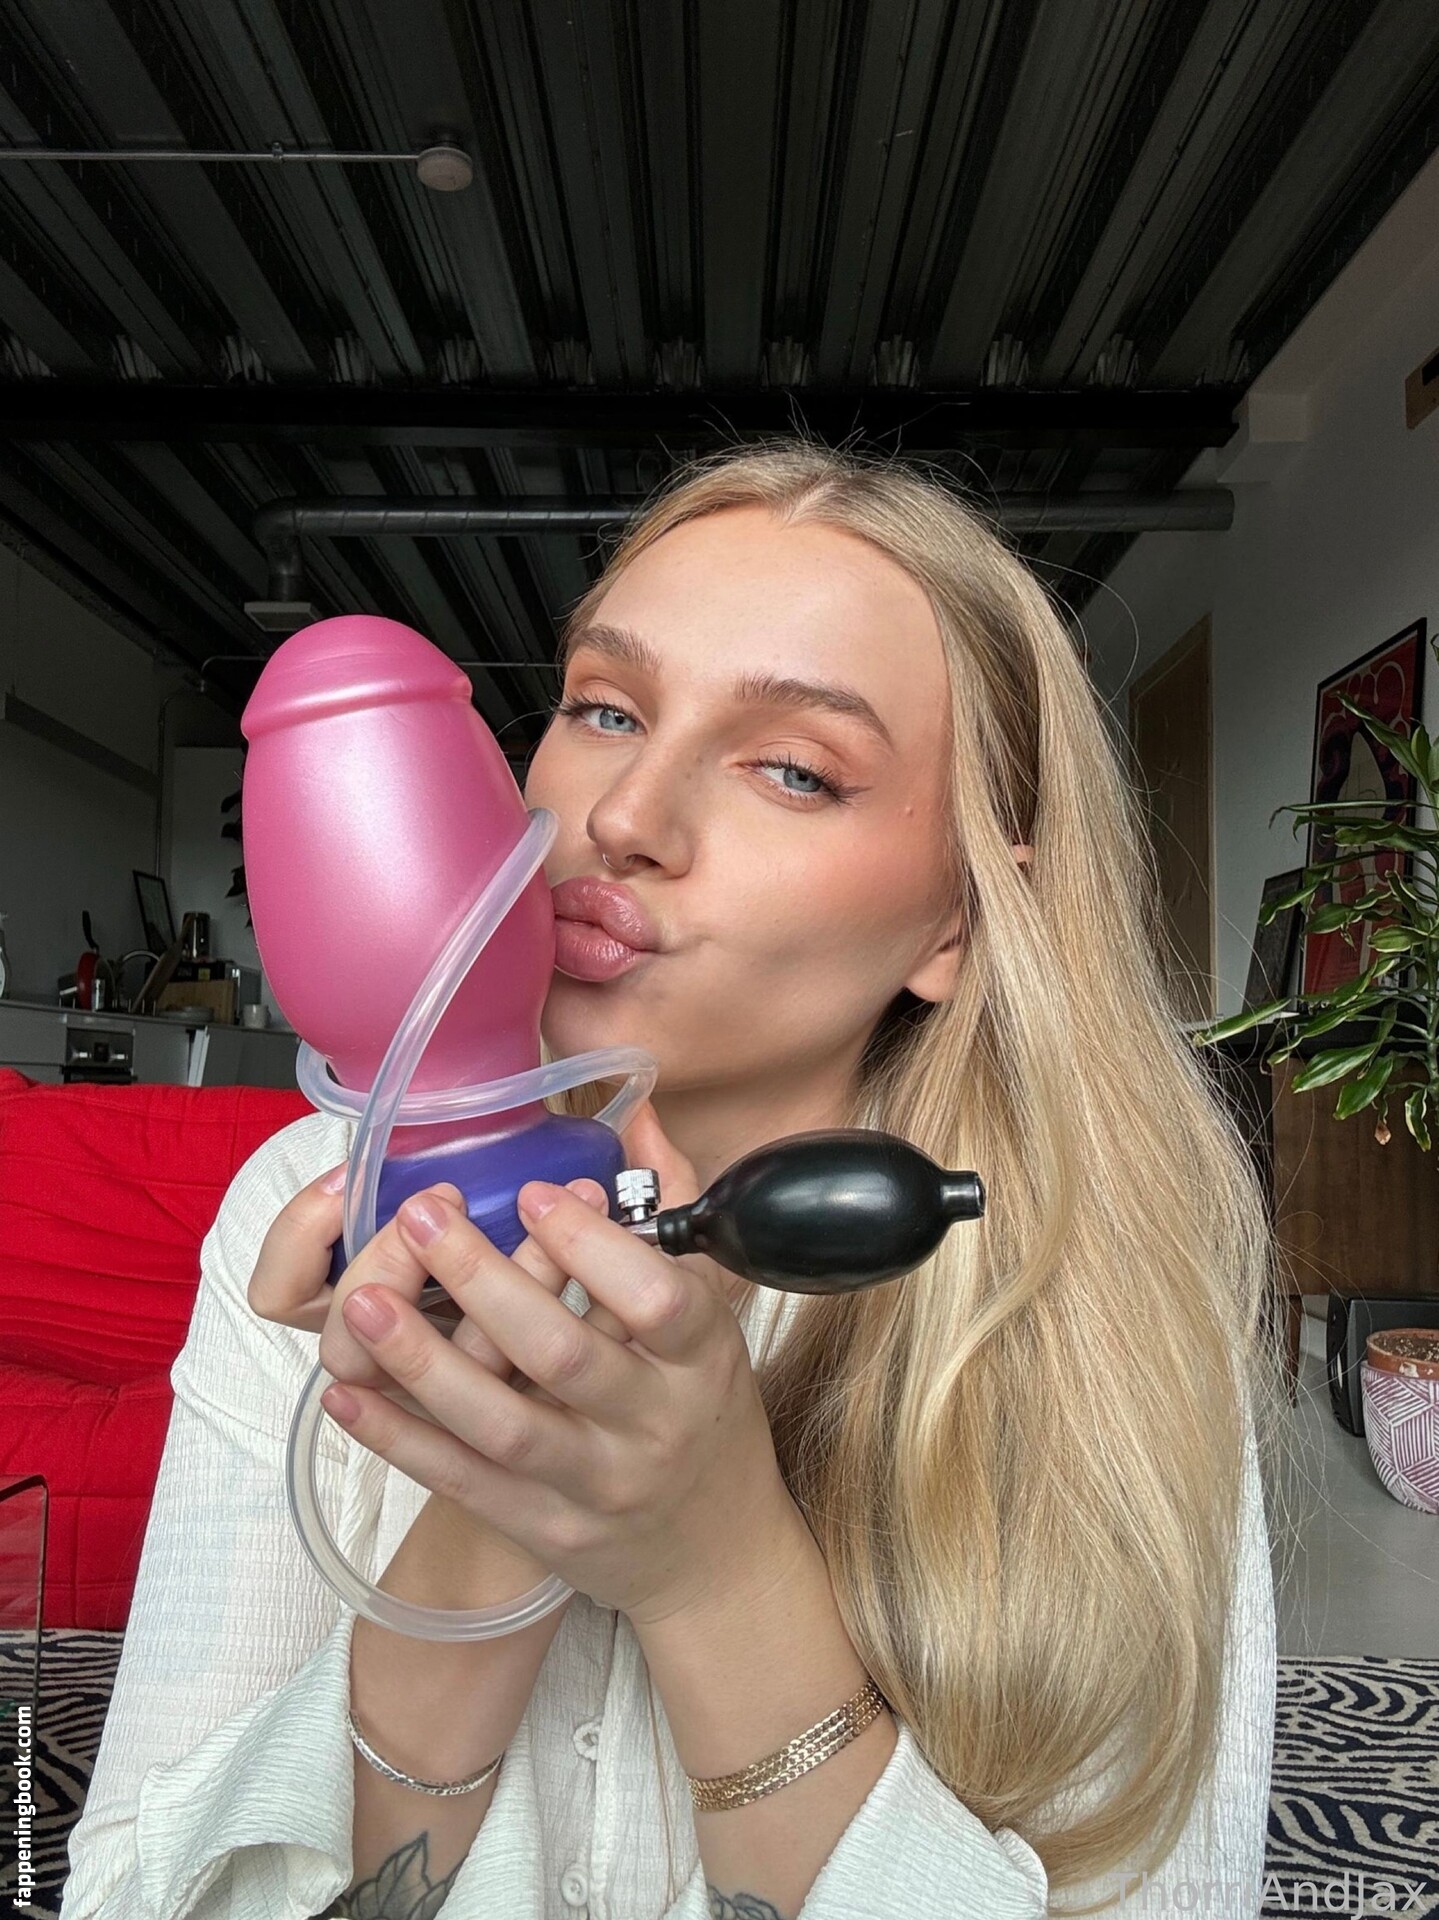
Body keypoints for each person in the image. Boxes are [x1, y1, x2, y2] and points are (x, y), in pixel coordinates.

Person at [60, 438, 1286, 1920]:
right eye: (606, 708)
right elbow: (141, 1897)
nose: (627, 816)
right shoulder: (321, 1208)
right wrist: (497, 1481)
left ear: (958, 921)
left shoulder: (1103, 1294)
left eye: (795, 769)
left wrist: (713, 1567)